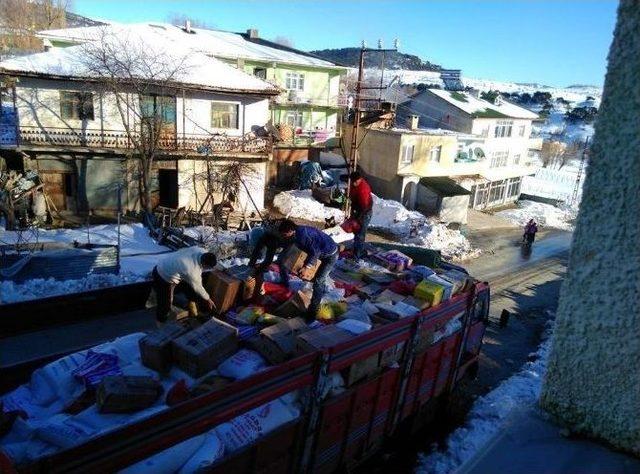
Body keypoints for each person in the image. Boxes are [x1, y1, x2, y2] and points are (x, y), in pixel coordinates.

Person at [277, 219, 338, 321]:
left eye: (284, 234)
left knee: (319, 282)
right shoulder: (295, 235)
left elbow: (315, 252)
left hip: (330, 255)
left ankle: (312, 313)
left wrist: (307, 267)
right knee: (284, 262)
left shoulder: (304, 235)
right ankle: (284, 286)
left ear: (291, 231)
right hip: (320, 253)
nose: (284, 236)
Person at [152, 247, 218, 323]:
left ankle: (192, 306)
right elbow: (198, 287)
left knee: (190, 287)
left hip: (165, 264)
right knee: (166, 303)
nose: (207, 269)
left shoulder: (200, 250)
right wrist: (208, 299)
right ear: (204, 264)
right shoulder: (191, 270)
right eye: (207, 267)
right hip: (163, 276)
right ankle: (160, 321)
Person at [349, 171, 373, 259]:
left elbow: (365, 206)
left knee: (360, 234)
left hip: (365, 212)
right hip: (358, 209)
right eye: (353, 182)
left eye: (356, 182)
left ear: (359, 180)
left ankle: (357, 255)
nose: (354, 183)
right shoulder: (354, 184)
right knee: (356, 232)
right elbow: (352, 196)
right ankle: (356, 250)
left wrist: (359, 218)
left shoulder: (363, 189)